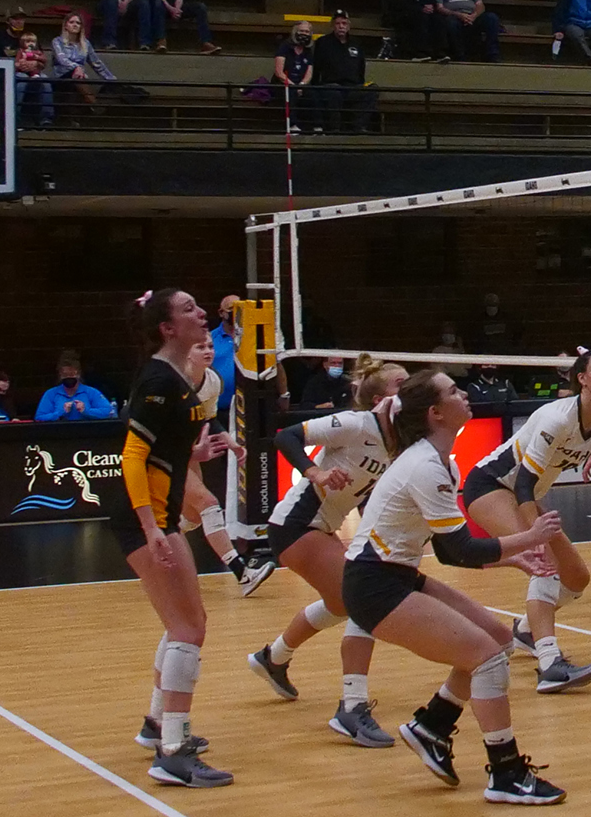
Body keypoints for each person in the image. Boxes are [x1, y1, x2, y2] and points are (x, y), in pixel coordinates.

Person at [341, 370, 567, 803]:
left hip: (396, 575)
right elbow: (461, 548)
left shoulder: (442, 460)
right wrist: (529, 537)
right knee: (486, 659)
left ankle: (433, 727)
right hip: (374, 583)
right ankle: (505, 772)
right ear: (436, 413)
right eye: (453, 391)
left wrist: (512, 556)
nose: (464, 394)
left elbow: (448, 552)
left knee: (500, 641)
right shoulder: (424, 465)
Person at [461, 350, 591, 692]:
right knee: (546, 562)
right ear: (581, 378)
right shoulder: (556, 418)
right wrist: (534, 536)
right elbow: (523, 482)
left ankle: (525, 630)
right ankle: (550, 664)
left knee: (577, 577)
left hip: (523, 494)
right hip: (489, 485)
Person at [111, 288, 237, 787]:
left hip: (157, 516)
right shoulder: (160, 381)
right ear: (167, 327)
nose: (202, 314)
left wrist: (198, 456)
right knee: (188, 628)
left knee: (186, 622)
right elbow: (132, 457)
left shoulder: (179, 380)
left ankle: (157, 724)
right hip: (145, 519)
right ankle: (173, 750)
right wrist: (150, 527)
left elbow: (165, 450)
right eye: (188, 310)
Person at [247, 357, 407, 746]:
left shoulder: (400, 441)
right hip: (296, 525)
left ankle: (274, 657)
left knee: (339, 603)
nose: (410, 389)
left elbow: (370, 492)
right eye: (401, 385)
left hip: (323, 527)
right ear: (379, 399)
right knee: (363, 599)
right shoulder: (355, 424)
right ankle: (351, 708)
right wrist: (314, 472)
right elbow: (285, 436)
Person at [180, 336, 276, 597]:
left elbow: (209, 420)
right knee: (209, 505)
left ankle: (156, 548)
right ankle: (242, 573)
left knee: (191, 517)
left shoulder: (212, 381)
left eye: (210, 346)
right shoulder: (173, 381)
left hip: (187, 452)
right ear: (186, 353)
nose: (208, 351)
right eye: (200, 346)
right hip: (161, 454)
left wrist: (232, 445)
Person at [311, 10, 373, 134]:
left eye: (344, 23)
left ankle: (359, 128)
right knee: (334, 94)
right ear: (333, 25)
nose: (341, 26)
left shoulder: (356, 43)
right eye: (338, 23)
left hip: (352, 86)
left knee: (371, 91)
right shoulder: (323, 42)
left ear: (348, 26)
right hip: (331, 85)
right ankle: (335, 129)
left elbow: (361, 66)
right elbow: (316, 66)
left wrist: (360, 82)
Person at [49, 11, 116, 115]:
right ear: (66, 25)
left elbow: (96, 63)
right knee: (76, 76)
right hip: (61, 78)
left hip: (78, 78)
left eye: (78, 23)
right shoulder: (57, 41)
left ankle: (81, 114)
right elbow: (62, 59)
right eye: (72, 22)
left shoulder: (86, 44)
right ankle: (95, 105)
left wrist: (111, 79)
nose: (75, 25)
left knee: (77, 80)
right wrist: (77, 67)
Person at [36, 351, 117, 420]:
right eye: (65, 374)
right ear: (60, 375)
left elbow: (108, 411)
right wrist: (60, 413)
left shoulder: (91, 392)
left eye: (72, 374)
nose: (69, 377)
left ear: (78, 374)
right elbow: (39, 417)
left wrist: (86, 411)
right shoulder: (51, 394)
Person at [274, 20, 316, 131]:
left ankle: (317, 127)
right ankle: (292, 126)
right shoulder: (285, 47)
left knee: (313, 93)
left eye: (307, 31)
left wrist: (302, 84)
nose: (304, 34)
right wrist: (293, 85)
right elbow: (279, 72)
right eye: (301, 31)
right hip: (284, 83)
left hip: (300, 84)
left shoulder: (308, 51)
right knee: (291, 92)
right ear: (295, 32)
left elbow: (309, 72)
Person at [15, 31, 53, 128]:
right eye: (28, 41)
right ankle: (15, 116)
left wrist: (36, 61)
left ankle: (46, 117)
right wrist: (21, 64)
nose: (30, 44)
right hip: (21, 72)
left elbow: (44, 62)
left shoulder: (37, 52)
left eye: (32, 42)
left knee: (46, 82)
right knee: (21, 83)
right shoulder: (21, 52)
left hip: (36, 72)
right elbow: (16, 63)